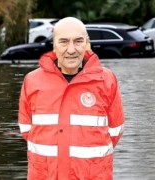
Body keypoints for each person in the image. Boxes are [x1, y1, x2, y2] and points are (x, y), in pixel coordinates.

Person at [18, 17, 124, 180]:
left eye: (78, 41)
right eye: (64, 42)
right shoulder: (32, 81)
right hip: (45, 175)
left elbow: (115, 131)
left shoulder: (107, 80)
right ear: (54, 45)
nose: (71, 49)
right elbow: (26, 129)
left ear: (87, 43)